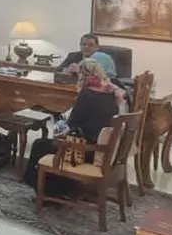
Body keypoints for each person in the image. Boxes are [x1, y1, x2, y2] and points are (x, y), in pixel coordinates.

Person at [23, 59, 122, 189]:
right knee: (48, 143)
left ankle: (44, 187)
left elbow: (71, 124)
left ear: (83, 75)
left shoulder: (87, 94)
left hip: (85, 150)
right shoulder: (111, 93)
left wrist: (58, 123)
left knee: (40, 144)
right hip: (104, 150)